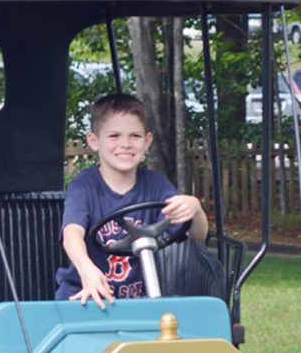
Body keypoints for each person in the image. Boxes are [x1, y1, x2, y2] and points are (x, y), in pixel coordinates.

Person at [55, 92, 208, 307]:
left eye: (135, 136)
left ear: (147, 141)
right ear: (94, 141)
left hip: (138, 300)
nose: (125, 144)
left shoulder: (156, 185)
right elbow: (72, 233)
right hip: (84, 297)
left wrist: (195, 208)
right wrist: (86, 268)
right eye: (114, 136)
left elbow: (198, 234)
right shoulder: (84, 185)